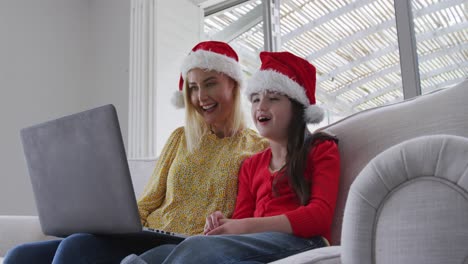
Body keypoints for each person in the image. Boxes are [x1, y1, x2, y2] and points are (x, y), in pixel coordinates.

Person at [4, 41, 268, 264]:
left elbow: (253, 218)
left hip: (185, 246)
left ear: (233, 84)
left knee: (77, 248)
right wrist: (113, 226)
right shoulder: (180, 138)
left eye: (210, 84)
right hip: (144, 235)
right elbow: (149, 201)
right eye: (193, 87)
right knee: (19, 256)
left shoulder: (258, 148)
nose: (201, 97)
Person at [121, 51, 341, 264]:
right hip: (255, 244)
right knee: (154, 257)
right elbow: (239, 220)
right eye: (255, 99)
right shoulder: (251, 164)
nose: (261, 106)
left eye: (273, 98)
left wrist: (243, 227)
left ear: (298, 108)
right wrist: (222, 224)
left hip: (302, 241)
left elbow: (319, 216)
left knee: (196, 247)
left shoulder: (321, 148)